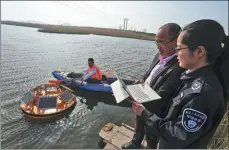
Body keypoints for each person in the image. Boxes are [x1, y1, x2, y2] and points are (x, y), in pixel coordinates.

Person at [131, 19, 228, 149]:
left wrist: (145, 114)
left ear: (200, 52)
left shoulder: (202, 94)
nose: (176, 53)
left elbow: (176, 136)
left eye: (179, 48)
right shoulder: (194, 79)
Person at [122, 23, 185, 149]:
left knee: (152, 135)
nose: (158, 47)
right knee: (139, 125)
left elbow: (163, 94)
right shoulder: (159, 54)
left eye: (161, 42)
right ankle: (135, 143)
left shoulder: (179, 65)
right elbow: (149, 73)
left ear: (175, 41)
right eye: (156, 42)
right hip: (143, 98)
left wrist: (130, 94)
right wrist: (141, 80)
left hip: (157, 108)